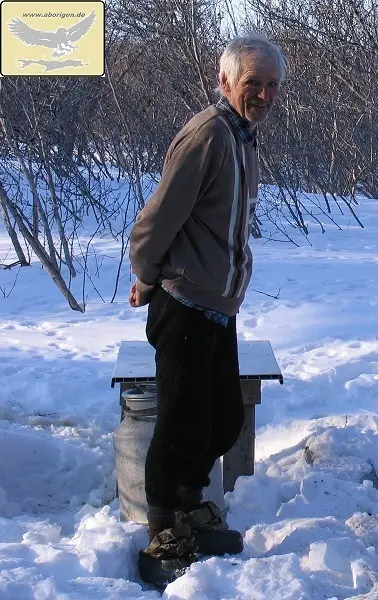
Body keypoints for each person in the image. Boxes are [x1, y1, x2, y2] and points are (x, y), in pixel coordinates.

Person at [128, 33, 285, 586]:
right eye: (253, 83)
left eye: (271, 85)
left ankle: (192, 505)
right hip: (185, 300)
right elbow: (155, 221)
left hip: (220, 304)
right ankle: (164, 528)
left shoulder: (244, 136)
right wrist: (146, 276)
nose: (264, 94)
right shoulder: (207, 137)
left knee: (218, 418)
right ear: (225, 81)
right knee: (181, 422)